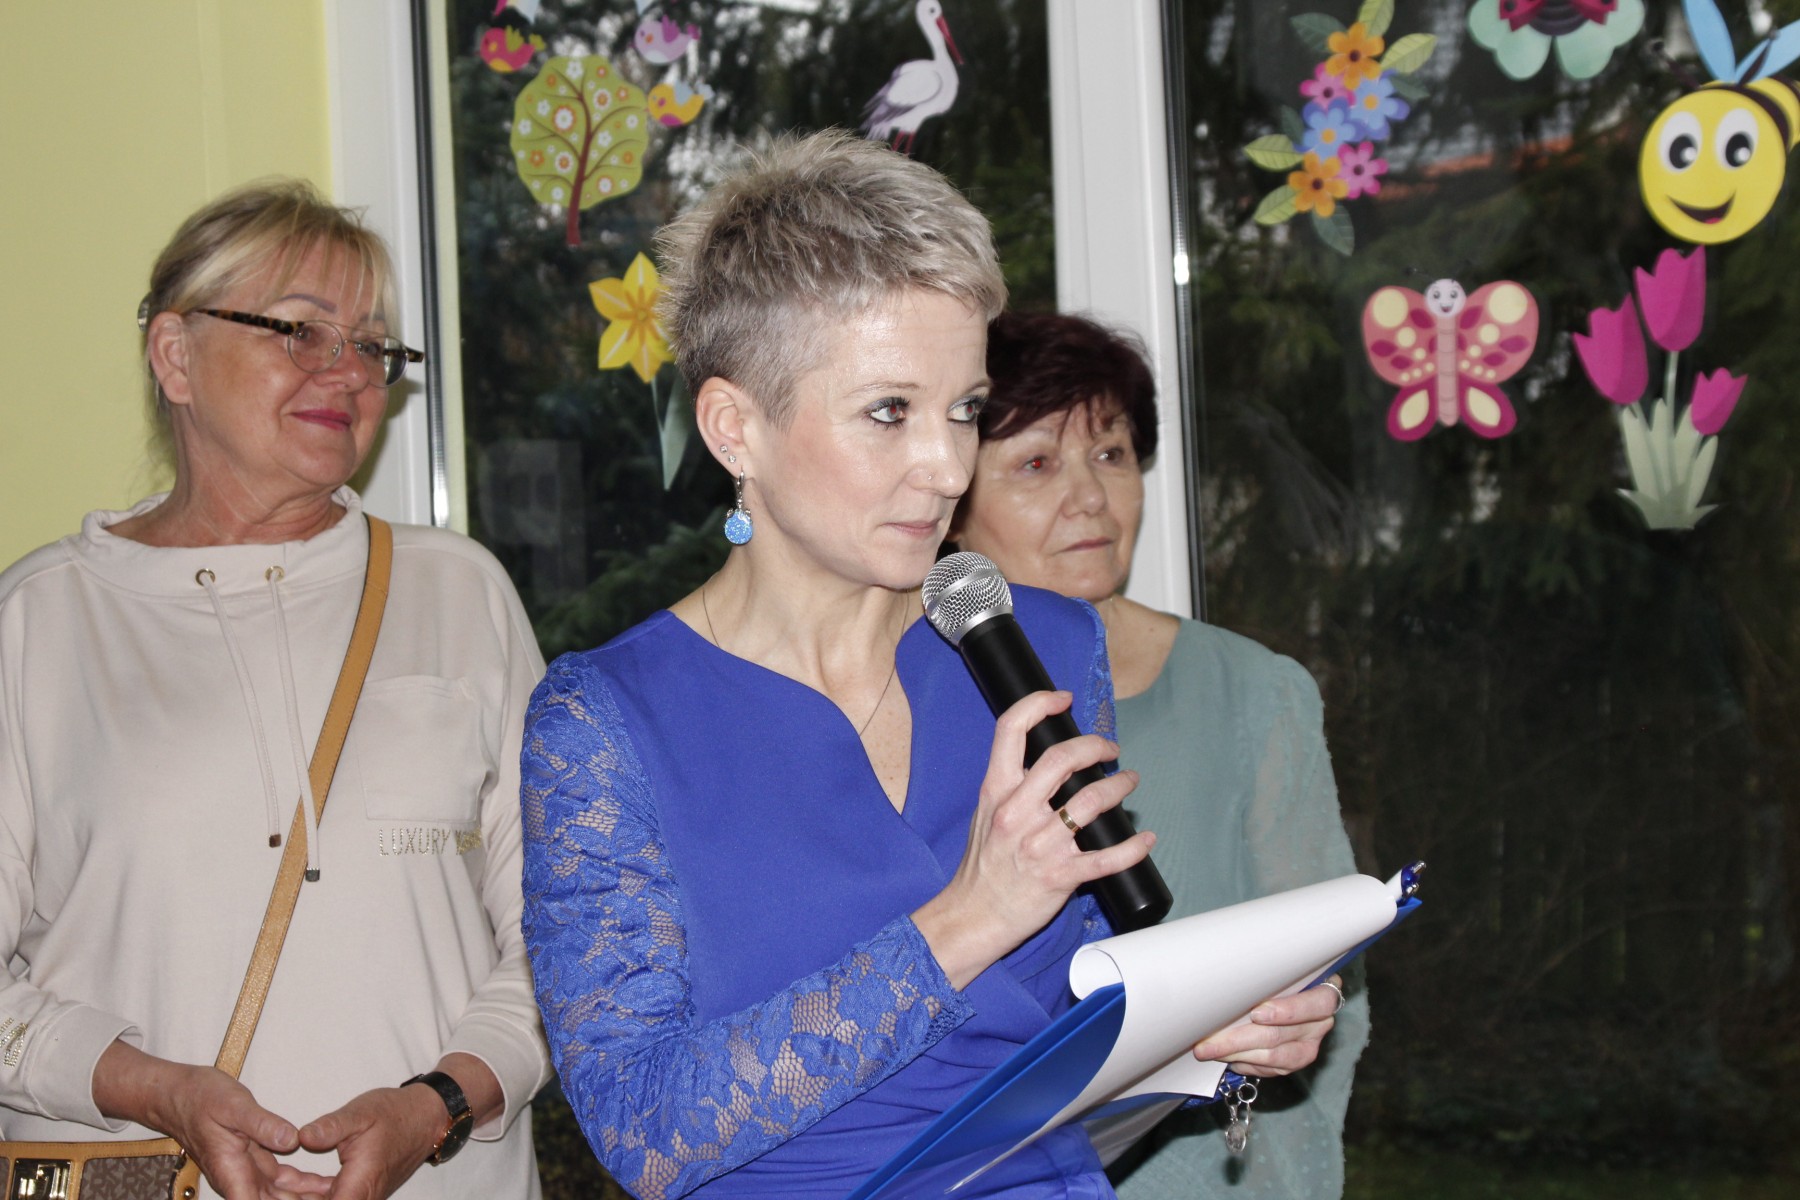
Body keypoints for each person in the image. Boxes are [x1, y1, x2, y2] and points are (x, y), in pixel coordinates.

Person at [518, 130, 1340, 1200]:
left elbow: (1081, 1005)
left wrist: (1206, 1023)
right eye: (888, 412)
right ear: (733, 427)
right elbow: (646, 1128)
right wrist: (967, 920)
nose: (949, 466)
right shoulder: (603, 721)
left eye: (963, 410)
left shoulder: (1045, 642)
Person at [0, 181, 551, 1199]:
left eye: (371, 345)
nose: (347, 371)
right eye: (301, 330)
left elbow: (563, 937)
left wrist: (440, 1103)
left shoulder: (458, 592)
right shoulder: (42, 619)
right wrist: (149, 1085)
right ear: (175, 355)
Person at [950, 309, 1370, 1199]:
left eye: (1110, 453)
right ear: (949, 502)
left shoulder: (1255, 689)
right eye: (1036, 464)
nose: (1090, 498)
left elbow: (1329, 946)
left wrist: (1311, 1006)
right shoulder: (902, 707)